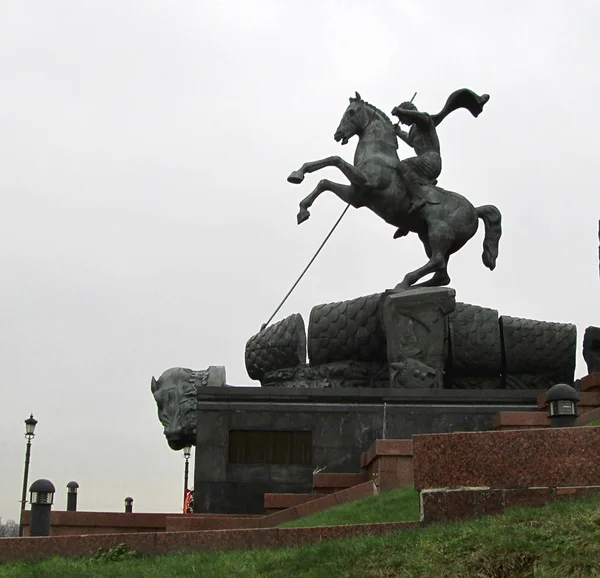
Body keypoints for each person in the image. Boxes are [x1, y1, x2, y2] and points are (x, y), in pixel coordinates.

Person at [392, 101, 442, 216]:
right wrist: (398, 132)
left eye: (403, 119)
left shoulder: (424, 120)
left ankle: (419, 198)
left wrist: (400, 111)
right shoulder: (413, 130)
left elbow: (420, 116)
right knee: (403, 178)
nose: (403, 123)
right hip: (424, 161)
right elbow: (410, 141)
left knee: (402, 165)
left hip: (431, 160)